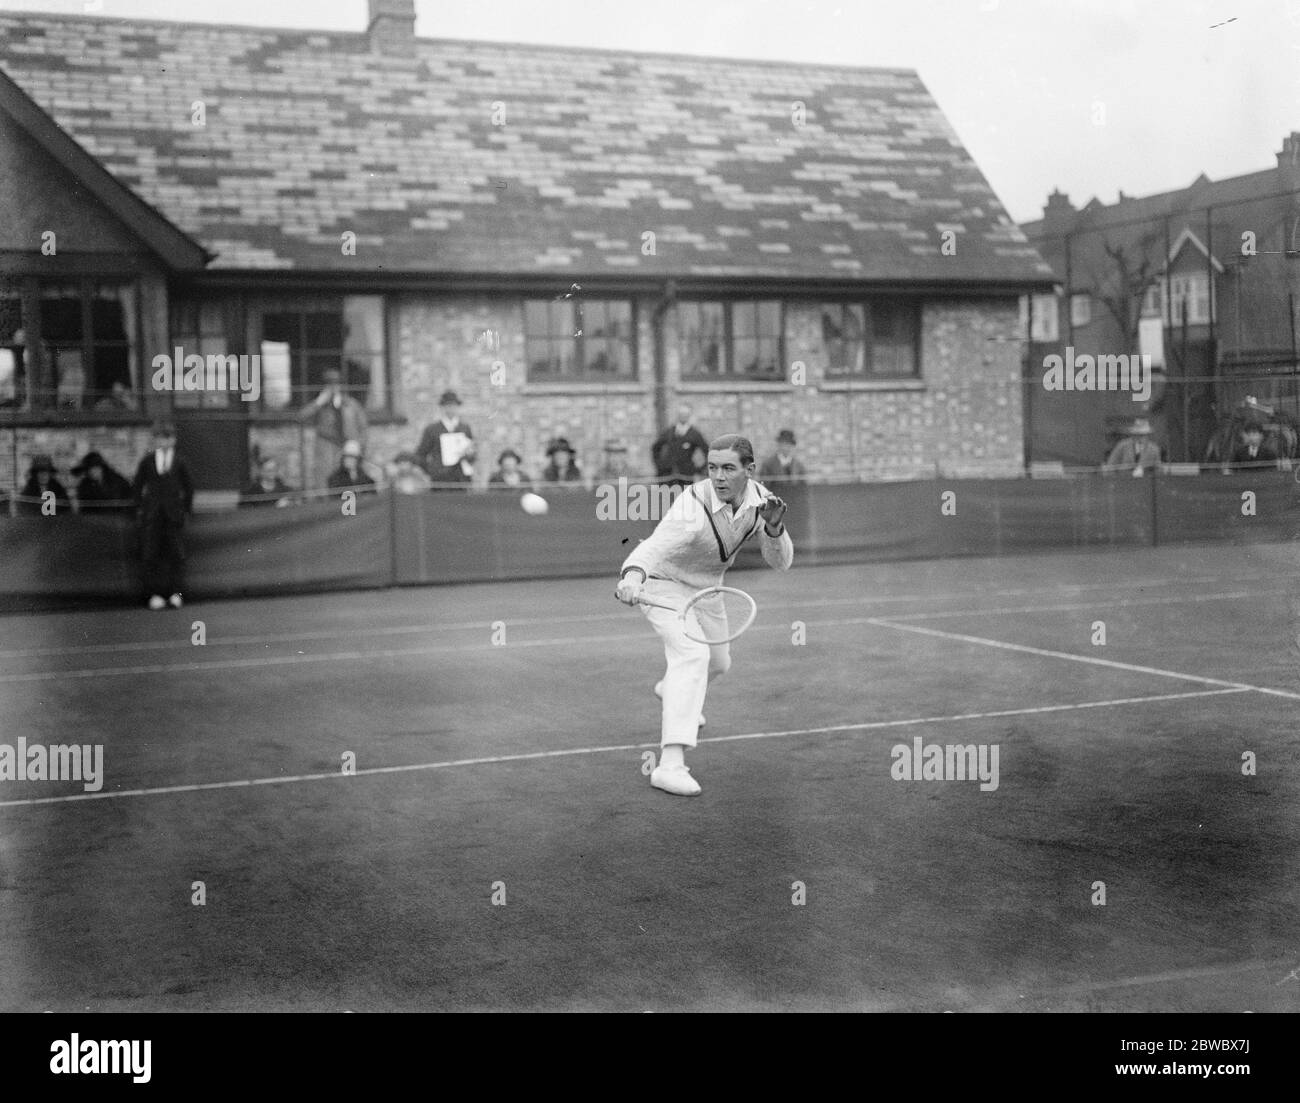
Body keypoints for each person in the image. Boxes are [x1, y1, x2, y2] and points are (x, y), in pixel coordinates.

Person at [615, 433, 792, 797]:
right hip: (662, 584)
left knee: (719, 663)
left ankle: (671, 689)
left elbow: (780, 562)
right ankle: (670, 766)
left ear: (750, 470)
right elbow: (651, 548)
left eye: (729, 468)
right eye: (712, 468)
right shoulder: (690, 505)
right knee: (691, 655)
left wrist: (774, 528)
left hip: (708, 588)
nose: (719, 477)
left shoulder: (762, 502)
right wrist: (632, 577)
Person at [133, 421, 193, 610]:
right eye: (160, 438)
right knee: (150, 555)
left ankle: (177, 594)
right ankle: (153, 595)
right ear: (156, 440)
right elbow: (137, 485)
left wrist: (184, 510)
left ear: (174, 440)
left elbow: (189, 488)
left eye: (168, 438)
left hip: (173, 516)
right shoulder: (148, 460)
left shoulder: (180, 461)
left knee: (177, 555)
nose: (165, 442)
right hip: (152, 516)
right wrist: (142, 508)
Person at [300, 368, 368, 489]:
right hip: (327, 447)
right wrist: (318, 402)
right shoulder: (320, 405)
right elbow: (301, 417)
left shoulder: (351, 404)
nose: (333, 387)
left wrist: (358, 445)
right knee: (326, 480)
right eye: (329, 384)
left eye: (336, 383)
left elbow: (363, 427)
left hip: (347, 447)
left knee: (349, 479)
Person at [415, 390, 476, 489]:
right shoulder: (432, 429)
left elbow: (472, 453)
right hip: (441, 479)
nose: (451, 409)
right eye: (448, 406)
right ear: (442, 408)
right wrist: (432, 470)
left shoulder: (464, 428)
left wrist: (469, 455)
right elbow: (420, 455)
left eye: (453, 406)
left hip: (461, 478)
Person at [651, 404, 709, 487]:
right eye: (681, 414)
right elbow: (656, 447)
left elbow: (707, 451)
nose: (683, 416)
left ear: (689, 416)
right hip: (667, 475)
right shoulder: (670, 432)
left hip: (685, 476)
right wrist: (660, 464)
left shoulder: (694, 434)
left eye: (685, 414)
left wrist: (699, 469)